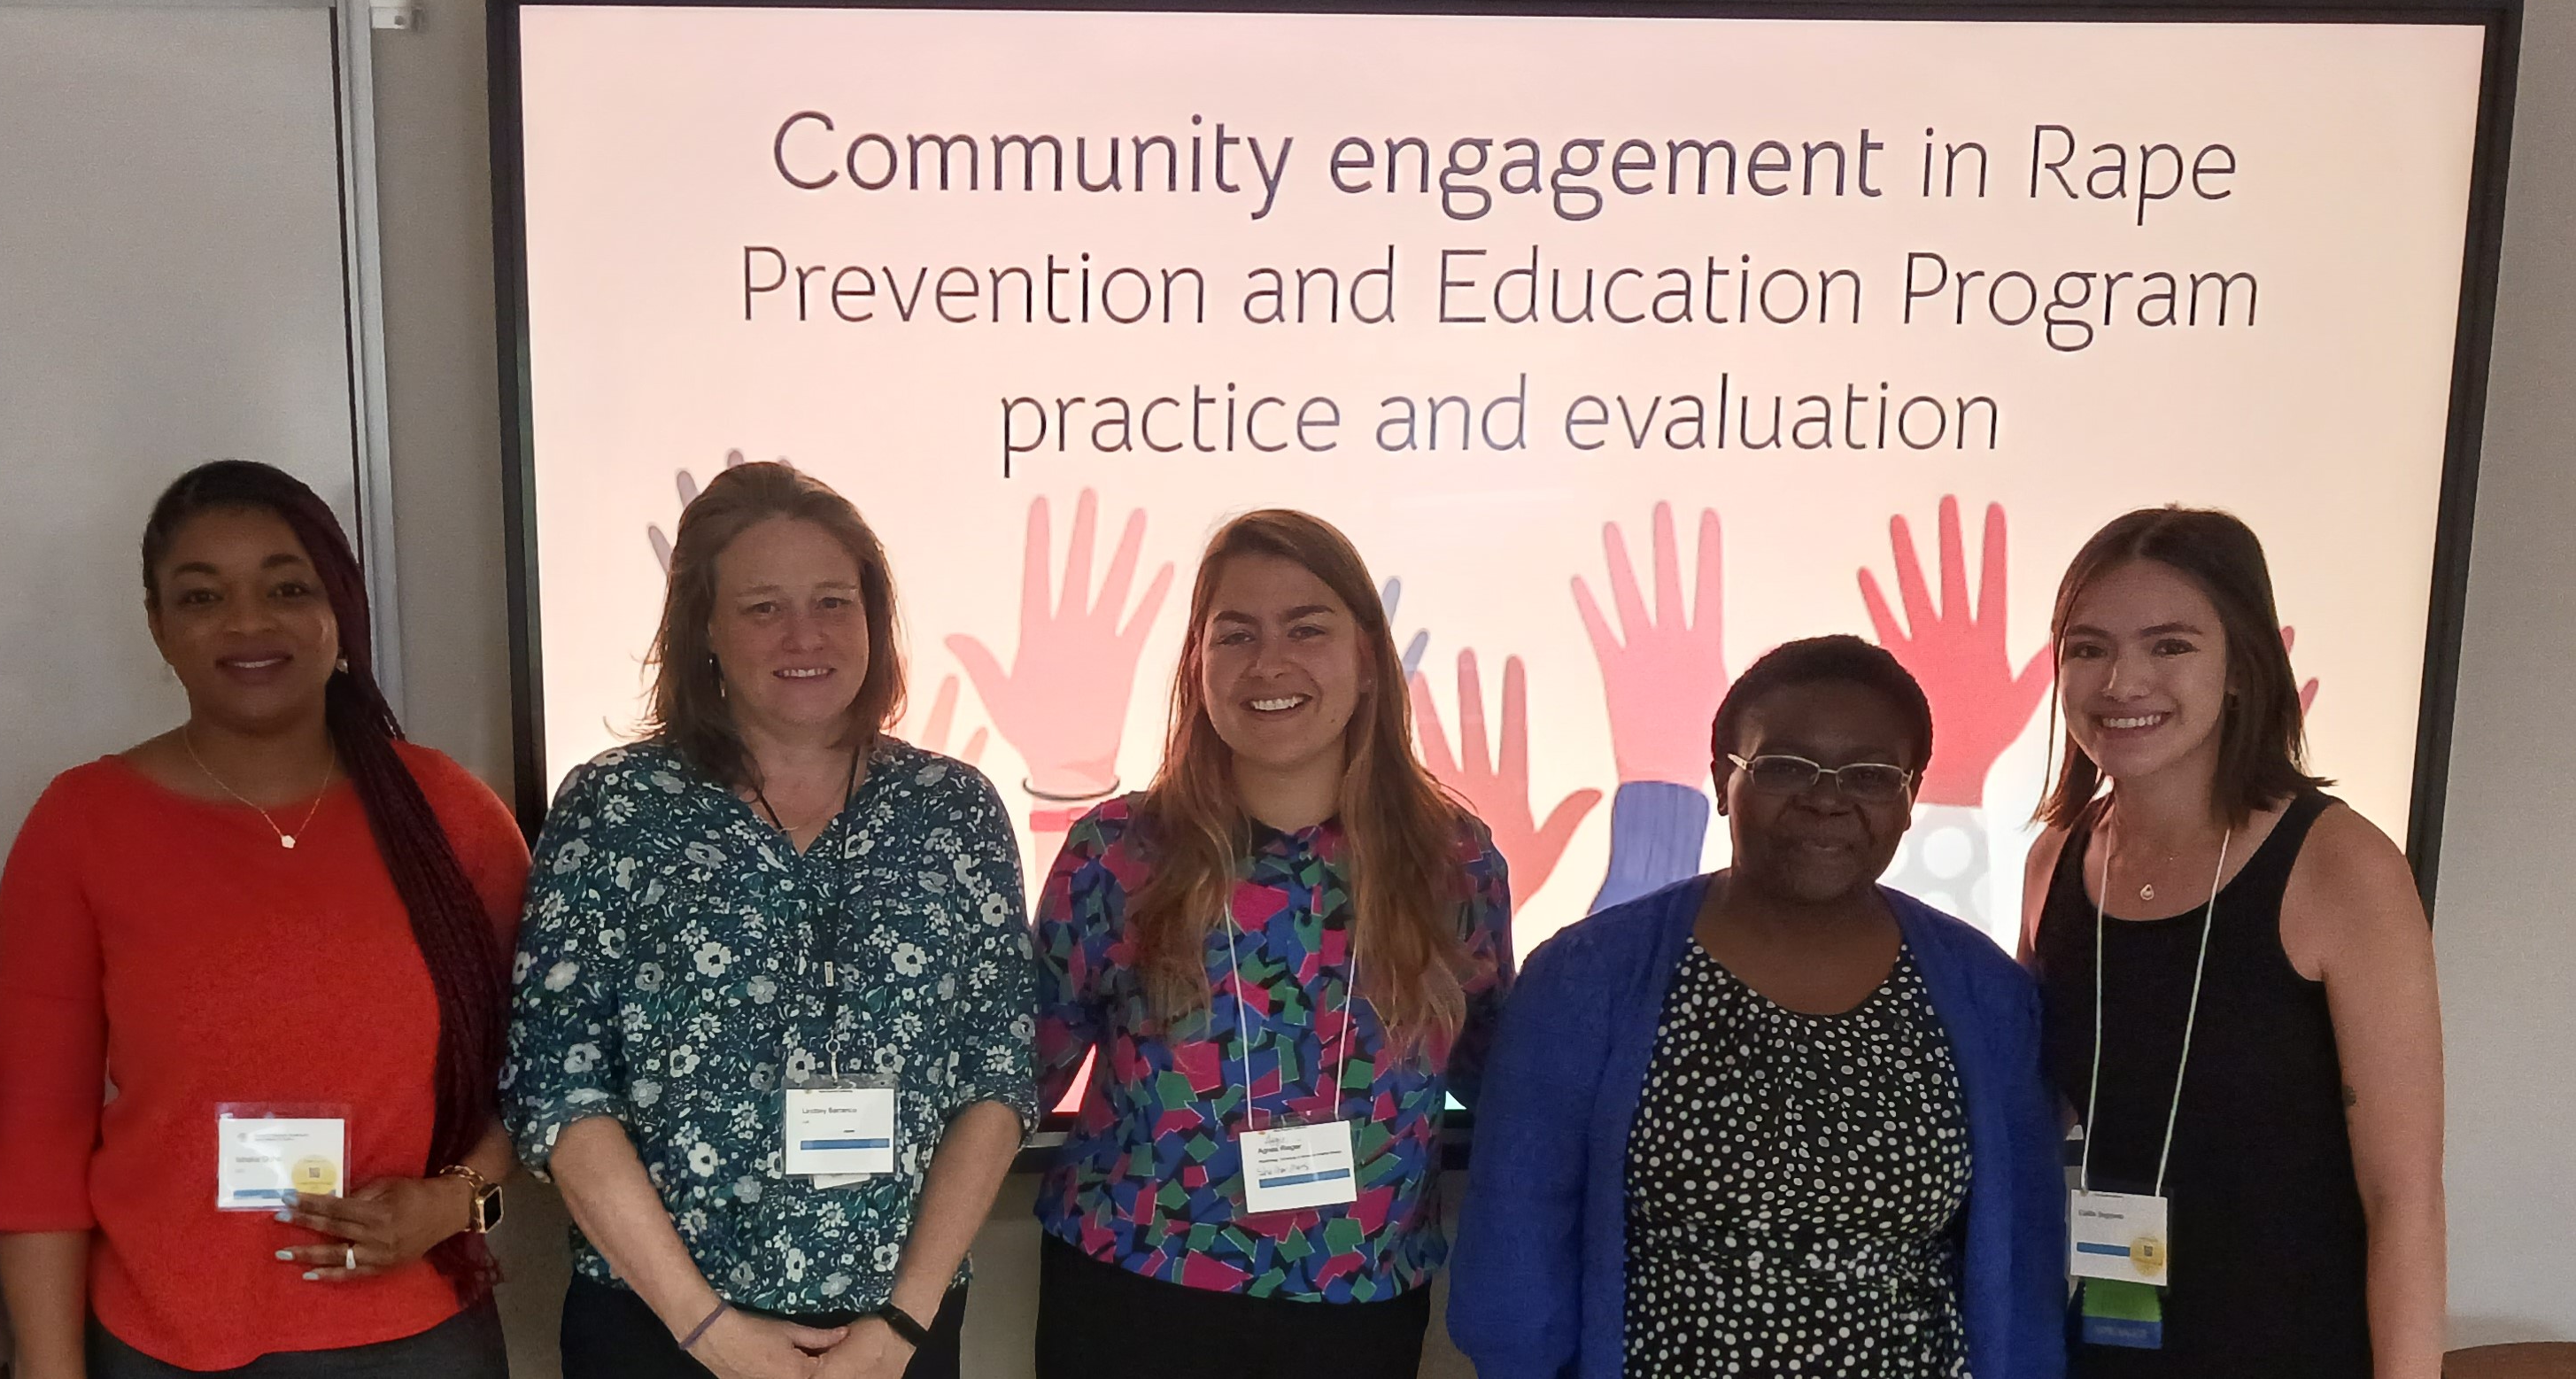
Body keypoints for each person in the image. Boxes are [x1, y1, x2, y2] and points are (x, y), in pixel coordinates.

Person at [0, 461, 527, 1378]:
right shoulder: (81, 823)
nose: (247, 621)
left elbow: (544, 1068)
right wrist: (47, 1360)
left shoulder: (447, 813)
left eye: (286, 586)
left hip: (416, 1338)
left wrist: (452, 1200)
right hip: (161, 1341)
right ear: (158, 625)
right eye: (201, 595)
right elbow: (37, 1128)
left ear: (338, 610)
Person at [505, 461, 1033, 1379]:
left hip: (893, 1337)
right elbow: (558, 1086)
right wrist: (706, 1326)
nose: (805, 634)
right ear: (702, 628)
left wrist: (901, 1326)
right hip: (659, 1331)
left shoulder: (952, 810)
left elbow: (999, 1076)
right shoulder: (616, 809)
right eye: (762, 607)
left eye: (834, 601)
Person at [1450, 635, 2066, 1379]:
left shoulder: (1982, 993)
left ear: (1910, 795)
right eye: (1783, 766)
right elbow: (1517, 1247)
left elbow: (2021, 1258)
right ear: (1719, 778)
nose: (1826, 797)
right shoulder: (1587, 978)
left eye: (1869, 774)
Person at [1032, 508, 1516, 1379]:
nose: (1270, 663)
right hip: (1132, 1290)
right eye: (1236, 633)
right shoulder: (1116, 853)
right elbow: (1020, 1070)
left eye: (1306, 627)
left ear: (1368, 659)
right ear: (1198, 663)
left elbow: (1504, 1078)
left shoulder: (1453, 864)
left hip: (1355, 1302)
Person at [2019, 507, 2443, 1377]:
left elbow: (2404, 1199)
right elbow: (2033, 1106)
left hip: (2296, 1345)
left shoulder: (2339, 864)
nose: (2121, 681)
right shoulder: (2055, 857)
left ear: (2243, 666)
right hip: (2106, 1336)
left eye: (2169, 645)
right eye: (2087, 647)